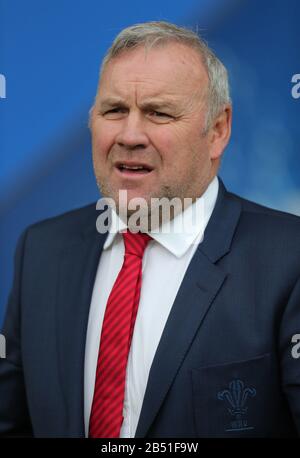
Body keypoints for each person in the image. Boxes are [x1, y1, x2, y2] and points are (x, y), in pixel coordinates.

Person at [0, 20, 300, 438]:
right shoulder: (41, 250)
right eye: (114, 110)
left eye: (158, 113)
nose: (130, 134)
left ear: (217, 130)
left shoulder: (289, 259)